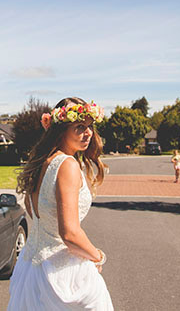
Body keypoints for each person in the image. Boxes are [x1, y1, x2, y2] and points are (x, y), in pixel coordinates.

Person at [8, 97, 113, 311]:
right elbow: (69, 233)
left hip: (30, 269)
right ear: (61, 130)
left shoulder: (41, 163)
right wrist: (97, 256)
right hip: (60, 275)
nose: (88, 133)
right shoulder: (67, 165)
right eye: (79, 127)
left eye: (90, 126)